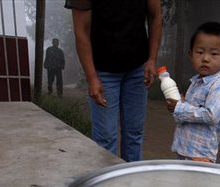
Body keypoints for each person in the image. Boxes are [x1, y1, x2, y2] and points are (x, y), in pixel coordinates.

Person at [65, 0, 162, 162]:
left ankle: (131, 183)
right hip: (103, 73)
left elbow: (156, 16)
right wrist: (92, 78)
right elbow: (81, 31)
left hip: (138, 68)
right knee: (105, 138)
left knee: (134, 134)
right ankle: (105, 185)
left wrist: (152, 59)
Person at [166, 22, 220, 163]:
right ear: (191, 55)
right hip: (183, 150)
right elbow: (185, 116)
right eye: (200, 52)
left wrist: (180, 108)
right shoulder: (195, 84)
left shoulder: (219, 86)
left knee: (196, 185)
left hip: (200, 156)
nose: (205, 58)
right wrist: (177, 107)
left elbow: (211, 115)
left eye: (214, 54)